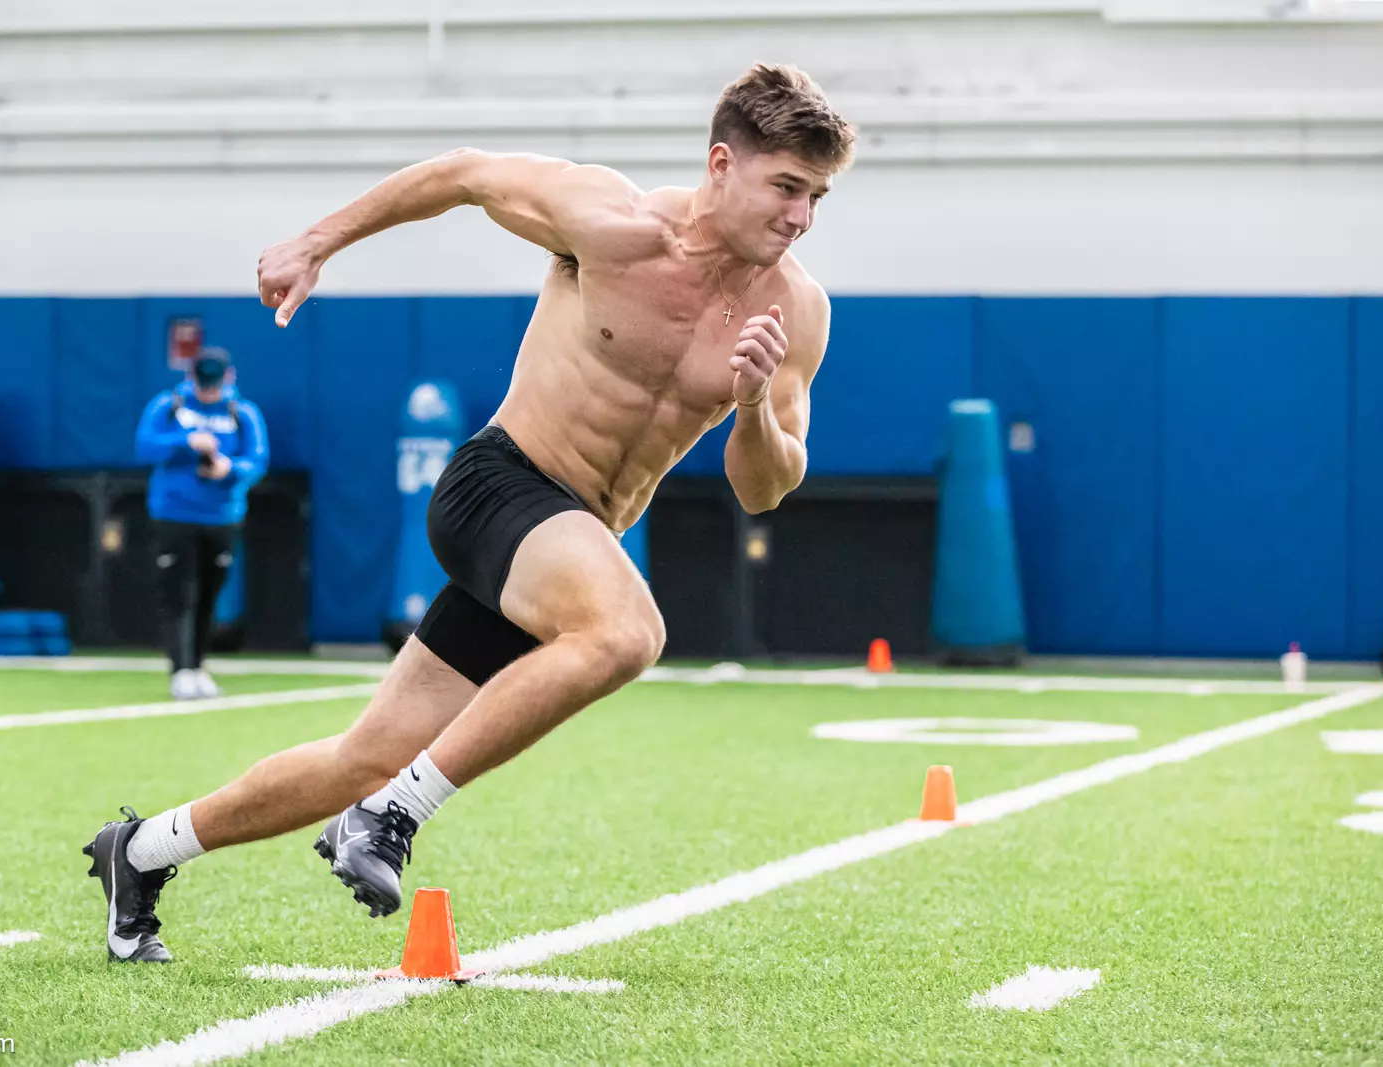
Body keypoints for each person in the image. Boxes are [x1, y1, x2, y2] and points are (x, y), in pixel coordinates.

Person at [84, 63, 852, 963]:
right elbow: (462, 172)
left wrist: (756, 403)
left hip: (567, 543)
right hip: (500, 485)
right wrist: (316, 241)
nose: (801, 216)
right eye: (788, 187)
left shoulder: (793, 308)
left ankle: (140, 852)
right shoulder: (609, 223)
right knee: (626, 632)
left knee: (363, 755)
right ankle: (393, 814)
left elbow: (765, 485)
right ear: (723, 163)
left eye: (819, 197)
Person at [133, 347, 270, 704]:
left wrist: (229, 469)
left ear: (229, 377)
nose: (208, 391)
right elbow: (144, 447)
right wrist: (185, 442)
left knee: (210, 592)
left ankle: (198, 665)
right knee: (179, 592)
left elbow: (257, 460)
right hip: (174, 514)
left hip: (221, 516)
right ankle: (180, 669)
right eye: (202, 383)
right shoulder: (169, 406)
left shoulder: (243, 412)